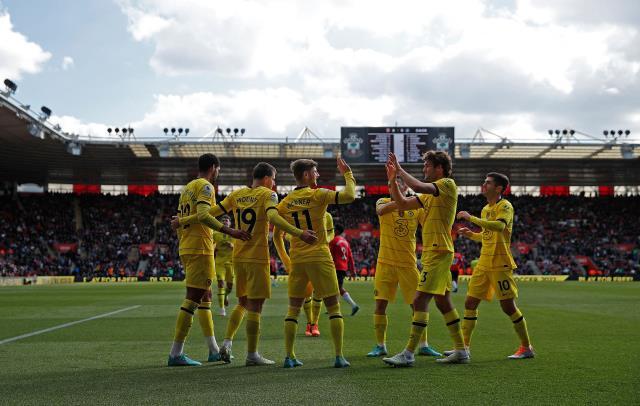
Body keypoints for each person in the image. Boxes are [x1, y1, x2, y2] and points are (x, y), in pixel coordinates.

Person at [175, 162, 317, 366]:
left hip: (238, 258)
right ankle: (252, 354)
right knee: (256, 307)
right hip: (257, 258)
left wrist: (182, 220)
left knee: (242, 302)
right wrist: (299, 233)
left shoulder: (237, 195)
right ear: (267, 178)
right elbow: (272, 217)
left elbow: (208, 213)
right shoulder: (269, 196)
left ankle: (227, 342)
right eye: (274, 179)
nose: (275, 184)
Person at [382, 151, 469, 366]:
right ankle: (461, 351)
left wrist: (401, 171)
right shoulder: (428, 195)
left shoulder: (447, 184)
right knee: (443, 301)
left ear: (439, 167)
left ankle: (409, 353)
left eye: (427, 166)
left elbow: (419, 186)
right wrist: (393, 179)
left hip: (438, 251)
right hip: (435, 251)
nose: (424, 170)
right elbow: (401, 203)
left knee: (419, 300)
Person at [167, 153, 250, 367]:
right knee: (193, 298)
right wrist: (230, 230)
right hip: (199, 247)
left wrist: (184, 240)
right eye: (218, 170)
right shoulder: (206, 187)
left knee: (206, 297)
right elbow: (204, 215)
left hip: (189, 246)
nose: (218, 173)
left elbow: (177, 222)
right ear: (214, 167)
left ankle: (214, 350)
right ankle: (176, 353)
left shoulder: (187, 188)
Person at [273, 157, 356, 368]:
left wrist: (287, 262)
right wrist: (347, 173)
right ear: (308, 174)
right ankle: (339, 356)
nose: (318, 175)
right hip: (320, 257)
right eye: (316, 172)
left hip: (298, 260)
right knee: (334, 308)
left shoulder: (286, 202)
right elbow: (349, 195)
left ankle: (289, 356)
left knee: (293, 309)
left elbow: (276, 236)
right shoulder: (319, 194)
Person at [453, 172, 535, 359]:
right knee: (470, 302)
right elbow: (488, 235)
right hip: (483, 262)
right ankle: (463, 348)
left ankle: (526, 347)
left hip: (500, 263)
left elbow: (498, 227)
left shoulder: (505, 206)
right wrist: (471, 235)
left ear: (498, 188)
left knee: (508, 307)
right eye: (484, 181)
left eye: (488, 182)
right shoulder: (484, 209)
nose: (484, 184)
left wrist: (470, 218)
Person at [367, 178, 440, 358]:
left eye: (398, 185)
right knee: (380, 304)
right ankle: (380, 345)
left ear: (406, 187)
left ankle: (423, 344)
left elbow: (430, 224)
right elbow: (380, 211)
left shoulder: (416, 207)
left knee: (417, 304)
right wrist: (402, 202)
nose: (395, 187)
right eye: (391, 185)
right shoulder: (383, 201)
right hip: (385, 263)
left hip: (408, 264)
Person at [303, 211, 334, 337]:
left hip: (321, 255)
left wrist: (326, 238)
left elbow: (332, 232)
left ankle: (315, 324)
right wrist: (299, 236)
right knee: (306, 292)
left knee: (318, 292)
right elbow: (288, 234)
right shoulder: (301, 213)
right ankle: (309, 323)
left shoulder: (327, 215)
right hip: (303, 255)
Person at [329, 223, 360, 316]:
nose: (332, 230)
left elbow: (329, 254)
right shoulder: (346, 242)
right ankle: (333, 308)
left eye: (333, 229)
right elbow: (350, 257)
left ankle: (353, 305)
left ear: (337, 231)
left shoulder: (333, 241)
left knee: (337, 288)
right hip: (343, 268)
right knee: (335, 288)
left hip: (335, 267)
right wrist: (353, 271)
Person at [212, 215, 234, 316]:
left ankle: (225, 296)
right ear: (220, 223)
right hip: (219, 263)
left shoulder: (235, 234)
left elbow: (241, 247)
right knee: (220, 283)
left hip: (231, 264)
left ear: (230, 223)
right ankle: (222, 309)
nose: (225, 222)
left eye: (227, 220)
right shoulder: (215, 234)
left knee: (230, 286)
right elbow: (211, 246)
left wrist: (234, 246)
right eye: (223, 221)